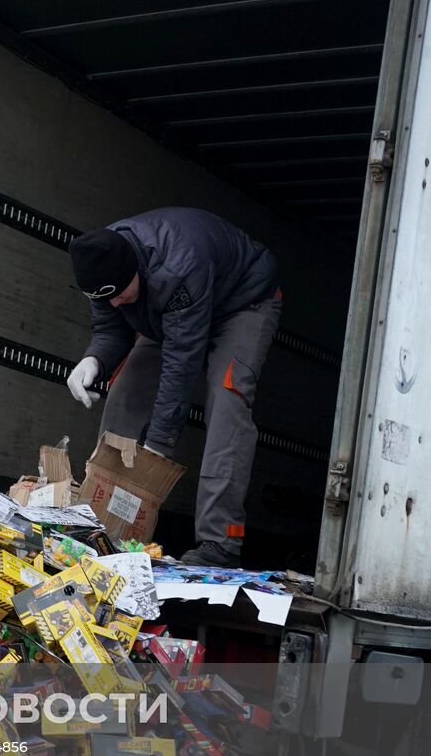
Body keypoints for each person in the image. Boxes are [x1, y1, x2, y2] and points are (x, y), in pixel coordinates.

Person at [65, 207, 281, 567]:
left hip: (243, 302)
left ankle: (219, 542)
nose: (115, 303)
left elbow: (182, 362)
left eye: (118, 293)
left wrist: (157, 447)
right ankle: (103, 525)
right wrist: (94, 360)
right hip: (165, 313)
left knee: (227, 399)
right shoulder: (103, 267)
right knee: (125, 396)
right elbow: (110, 328)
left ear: (132, 269)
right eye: (107, 299)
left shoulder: (177, 265)